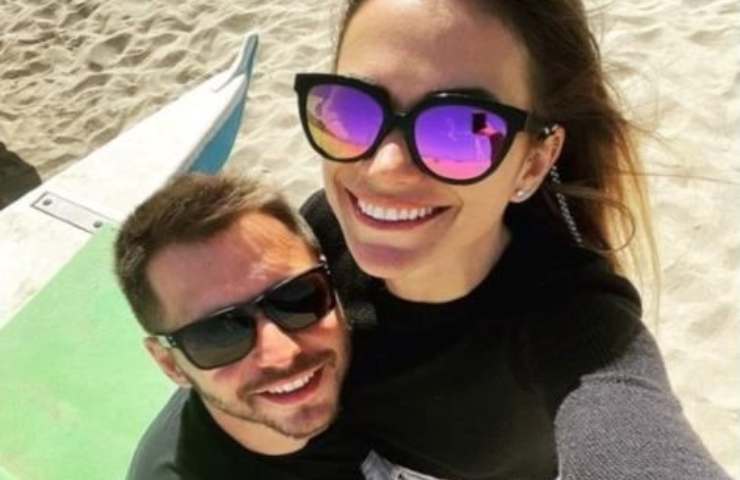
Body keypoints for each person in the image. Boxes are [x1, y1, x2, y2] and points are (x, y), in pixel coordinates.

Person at [295, 0, 732, 478]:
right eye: (353, 109)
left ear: (534, 162)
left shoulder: (572, 320)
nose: (384, 168)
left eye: (463, 128)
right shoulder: (317, 237)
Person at [114, 174, 370, 479]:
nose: (281, 354)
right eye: (218, 333)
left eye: (296, 297)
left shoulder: (386, 322)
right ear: (170, 364)